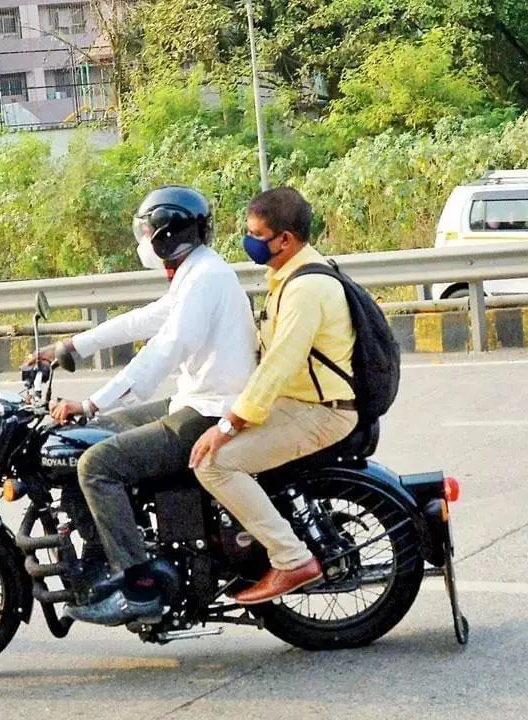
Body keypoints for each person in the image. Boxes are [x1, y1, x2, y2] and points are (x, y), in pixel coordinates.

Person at [33, 186, 257, 626]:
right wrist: (72, 346)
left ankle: (139, 584)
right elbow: (146, 319)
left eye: (146, 232)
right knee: (84, 442)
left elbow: (165, 349)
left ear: (167, 236)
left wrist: (93, 401)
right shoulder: (195, 272)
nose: (142, 242)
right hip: (195, 400)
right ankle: (101, 553)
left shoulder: (206, 278)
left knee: (97, 465)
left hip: (213, 411)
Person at [189, 187, 359, 605]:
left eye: (255, 234)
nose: (248, 241)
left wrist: (229, 426)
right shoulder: (289, 275)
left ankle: (290, 559)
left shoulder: (305, 288)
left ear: (285, 239)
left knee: (213, 463)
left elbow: (279, 364)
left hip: (321, 411)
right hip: (299, 402)